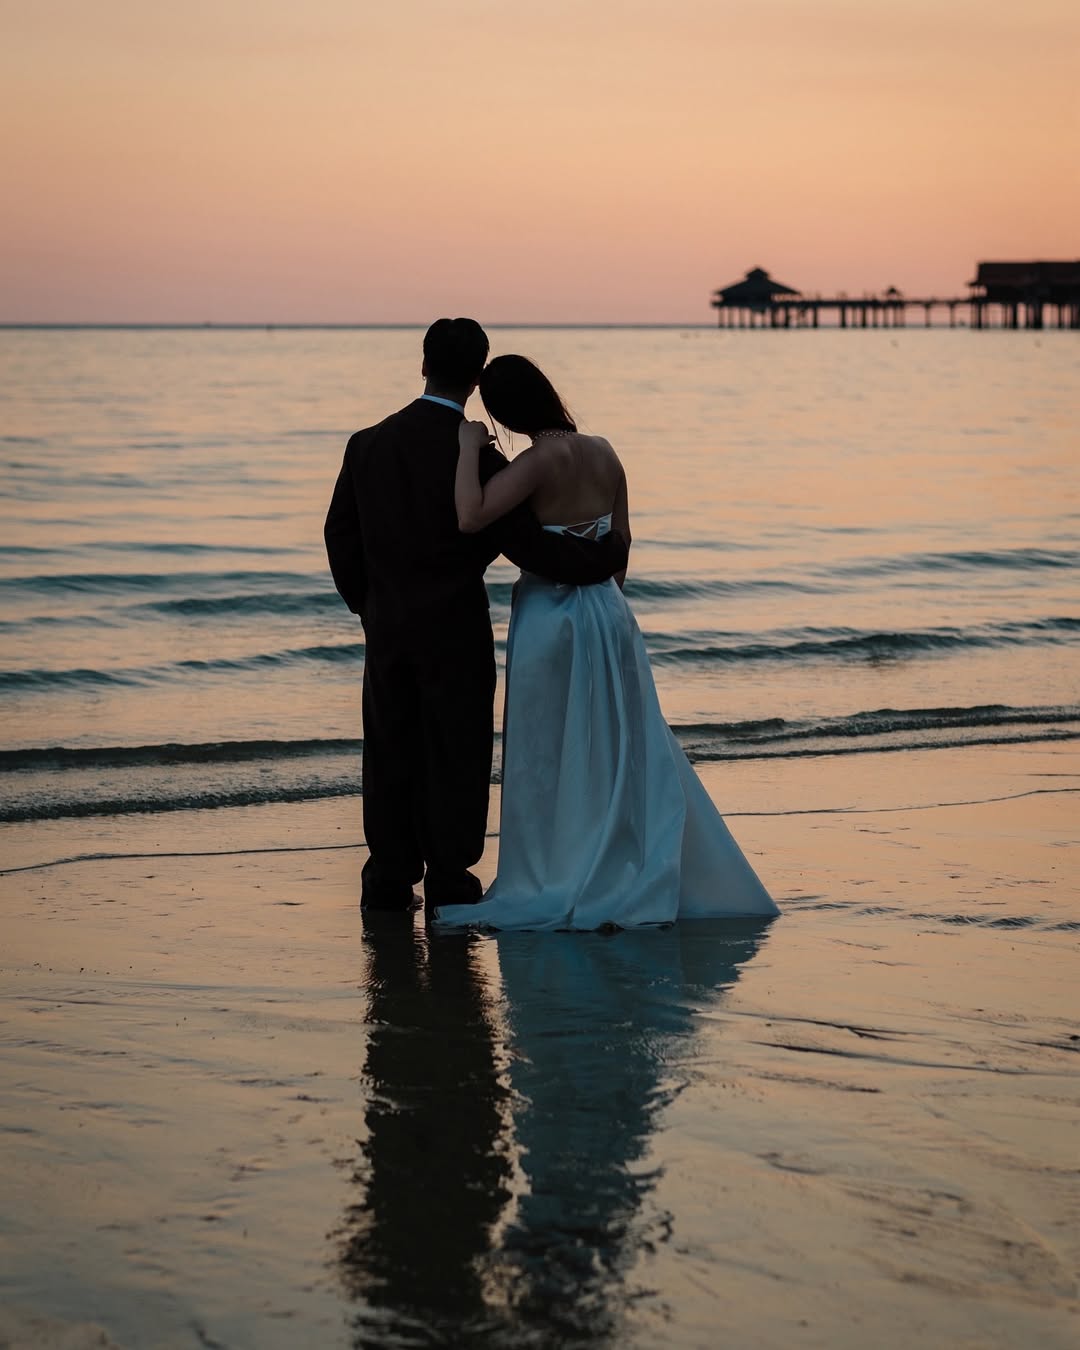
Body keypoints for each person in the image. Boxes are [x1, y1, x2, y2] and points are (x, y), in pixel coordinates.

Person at [436, 354, 778, 930]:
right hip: (610, 614)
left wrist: (469, 447)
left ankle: (560, 867)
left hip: (553, 616)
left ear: (504, 411)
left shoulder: (537, 461)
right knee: (615, 742)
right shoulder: (606, 452)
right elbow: (620, 550)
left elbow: (471, 518)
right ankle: (621, 858)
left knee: (551, 749)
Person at [324, 320, 628, 912]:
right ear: (475, 380)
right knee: (457, 748)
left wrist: (370, 604)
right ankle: (448, 874)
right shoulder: (481, 457)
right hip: (457, 623)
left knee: (389, 744)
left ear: (422, 365)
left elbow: (340, 534)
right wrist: (608, 552)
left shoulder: (367, 443)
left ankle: (388, 873)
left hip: (387, 626)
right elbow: (528, 546)